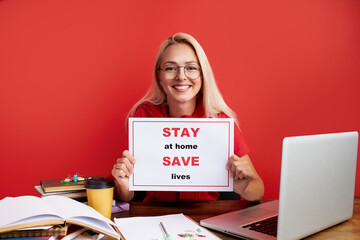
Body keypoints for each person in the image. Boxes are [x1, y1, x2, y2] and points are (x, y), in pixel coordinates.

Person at [112, 33, 264, 202]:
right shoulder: (145, 116)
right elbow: (126, 195)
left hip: (207, 218)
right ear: (159, 77)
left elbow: (258, 191)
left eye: (191, 68)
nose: (181, 76)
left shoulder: (219, 121)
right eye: (170, 68)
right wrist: (123, 186)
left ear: (202, 74)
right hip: (156, 217)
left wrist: (244, 188)